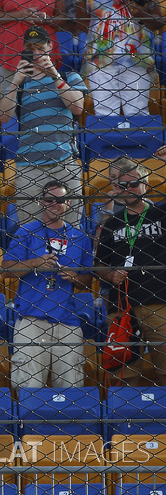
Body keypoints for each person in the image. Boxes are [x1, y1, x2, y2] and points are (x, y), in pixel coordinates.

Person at [2, 180, 93, 389]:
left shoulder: (79, 237)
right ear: (41, 202)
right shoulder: (26, 231)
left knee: (71, 389)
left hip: (67, 321)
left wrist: (75, 277)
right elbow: (5, 270)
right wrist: (36, 263)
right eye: (49, 199)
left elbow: (87, 280)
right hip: (31, 319)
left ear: (68, 203)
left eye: (59, 199)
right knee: (29, 388)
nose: (54, 203)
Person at [0, 25, 86, 227]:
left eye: (39, 47)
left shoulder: (68, 76)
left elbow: (77, 107)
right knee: (29, 228)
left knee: (71, 225)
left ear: (50, 46)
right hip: (29, 165)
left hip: (65, 161)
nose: (36, 52)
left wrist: (54, 74)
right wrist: (15, 82)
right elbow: (3, 116)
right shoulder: (19, 83)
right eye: (30, 48)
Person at [95, 155, 166, 385]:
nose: (129, 189)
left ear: (146, 184)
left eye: (134, 183)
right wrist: (111, 274)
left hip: (159, 303)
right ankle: (124, 420)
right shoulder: (112, 222)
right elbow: (98, 264)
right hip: (121, 307)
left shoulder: (162, 214)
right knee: (124, 375)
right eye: (123, 185)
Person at [82, 0, 162, 116]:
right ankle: (107, 139)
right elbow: (82, 19)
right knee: (104, 112)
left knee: (137, 111)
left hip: (136, 58)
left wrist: (139, 12)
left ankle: (138, 139)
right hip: (100, 58)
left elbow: (158, 21)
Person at [0, 0, 65, 91]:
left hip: (44, 52)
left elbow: (62, 17)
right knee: (10, 101)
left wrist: (46, 19)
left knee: (45, 100)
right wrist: (19, 15)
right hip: (11, 52)